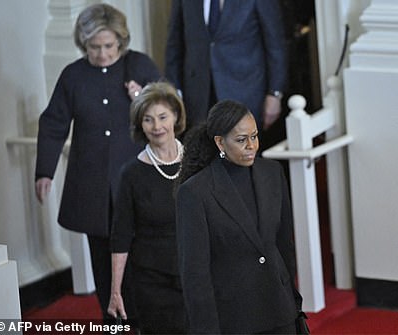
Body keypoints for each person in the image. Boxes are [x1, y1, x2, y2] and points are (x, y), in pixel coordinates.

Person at [34, 3, 161, 323]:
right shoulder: (73, 76)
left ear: (121, 41)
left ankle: (147, 323)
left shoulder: (140, 65)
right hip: (93, 186)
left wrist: (143, 99)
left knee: (144, 259)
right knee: (103, 264)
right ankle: (115, 325)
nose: (103, 54)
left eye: (109, 46)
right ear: (83, 44)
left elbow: (169, 113)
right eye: (94, 47)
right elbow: (53, 124)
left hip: (138, 183)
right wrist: (44, 171)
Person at [175, 100, 303, 334]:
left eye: (254, 136)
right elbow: (195, 274)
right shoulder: (195, 192)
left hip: (279, 309)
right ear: (220, 142)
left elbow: (284, 245)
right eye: (241, 140)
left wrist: (293, 302)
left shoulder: (273, 173)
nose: (251, 146)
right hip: (233, 319)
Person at [107, 82, 186, 334]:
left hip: (196, 275)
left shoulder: (197, 163)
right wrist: (115, 291)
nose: (157, 126)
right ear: (140, 125)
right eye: (148, 120)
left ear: (176, 115)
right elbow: (120, 235)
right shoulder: (131, 174)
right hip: (151, 280)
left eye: (163, 117)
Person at [164, 0, 287, 132]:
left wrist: (275, 93)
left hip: (245, 93)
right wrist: (174, 94)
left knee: (244, 149)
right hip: (199, 97)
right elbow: (174, 45)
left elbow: (275, 44)